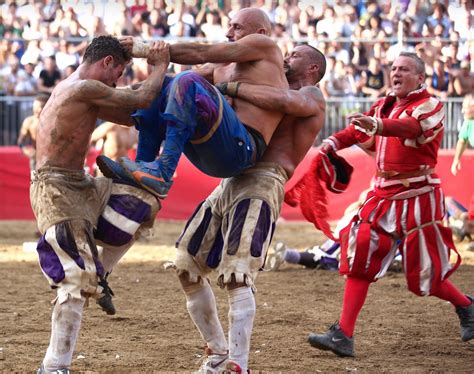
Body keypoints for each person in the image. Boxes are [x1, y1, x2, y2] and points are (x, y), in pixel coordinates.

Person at [306, 52, 474, 358]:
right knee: (361, 254)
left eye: (404, 69)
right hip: (383, 194)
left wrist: (377, 125)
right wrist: (331, 143)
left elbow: (411, 128)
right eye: (393, 68)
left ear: (420, 78)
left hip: (419, 195)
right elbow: (359, 130)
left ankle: (466, 306)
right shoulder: (384, 105)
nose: (395, 73)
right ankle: (343, 334)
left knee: (425, 272)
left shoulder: (431, 105)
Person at [172, 43, 326, 373]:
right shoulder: (268, 84)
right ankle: (217, 353)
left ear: (312, 68)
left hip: (263, 180)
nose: (286, 58)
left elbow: (287, 102)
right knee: (186, 264)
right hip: (231, 178)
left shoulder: (312, 95)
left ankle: (238, 365)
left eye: (295, 55)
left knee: (236, 273)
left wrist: (227, 86)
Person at [31, 35, 169, 373]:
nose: (116, 80)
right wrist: (160, 64)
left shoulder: (85, 91)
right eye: (118, 72)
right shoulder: (80, 87)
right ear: (107, 63)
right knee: (74, 281)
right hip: (55, 187)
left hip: (83, 182)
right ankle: (54, 367)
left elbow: (133, 112)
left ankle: (101, 271)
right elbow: (142, 97)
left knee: (144, 199)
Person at [96, 8, 288, 199]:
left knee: (186, 81)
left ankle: (162, 171)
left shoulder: (266, 47)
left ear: (260, 33)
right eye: (229, 26)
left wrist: (143, 49)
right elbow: (169, 87)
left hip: (242, 149)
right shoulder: (221, 66)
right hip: (213, 152)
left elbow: (200, 52)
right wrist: (101, 94)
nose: (228, 33)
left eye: (237, 28)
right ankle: (142, 167)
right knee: (161, 84)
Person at [17, 93, 49, 171]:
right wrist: (27, 151)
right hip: (36, 158)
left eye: (40, 107)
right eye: (35, 107)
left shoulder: (55, 122)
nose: (36, 110)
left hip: (53, 160)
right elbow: (20, 142)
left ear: (47, 107)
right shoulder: (29, 121)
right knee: (35, 181)